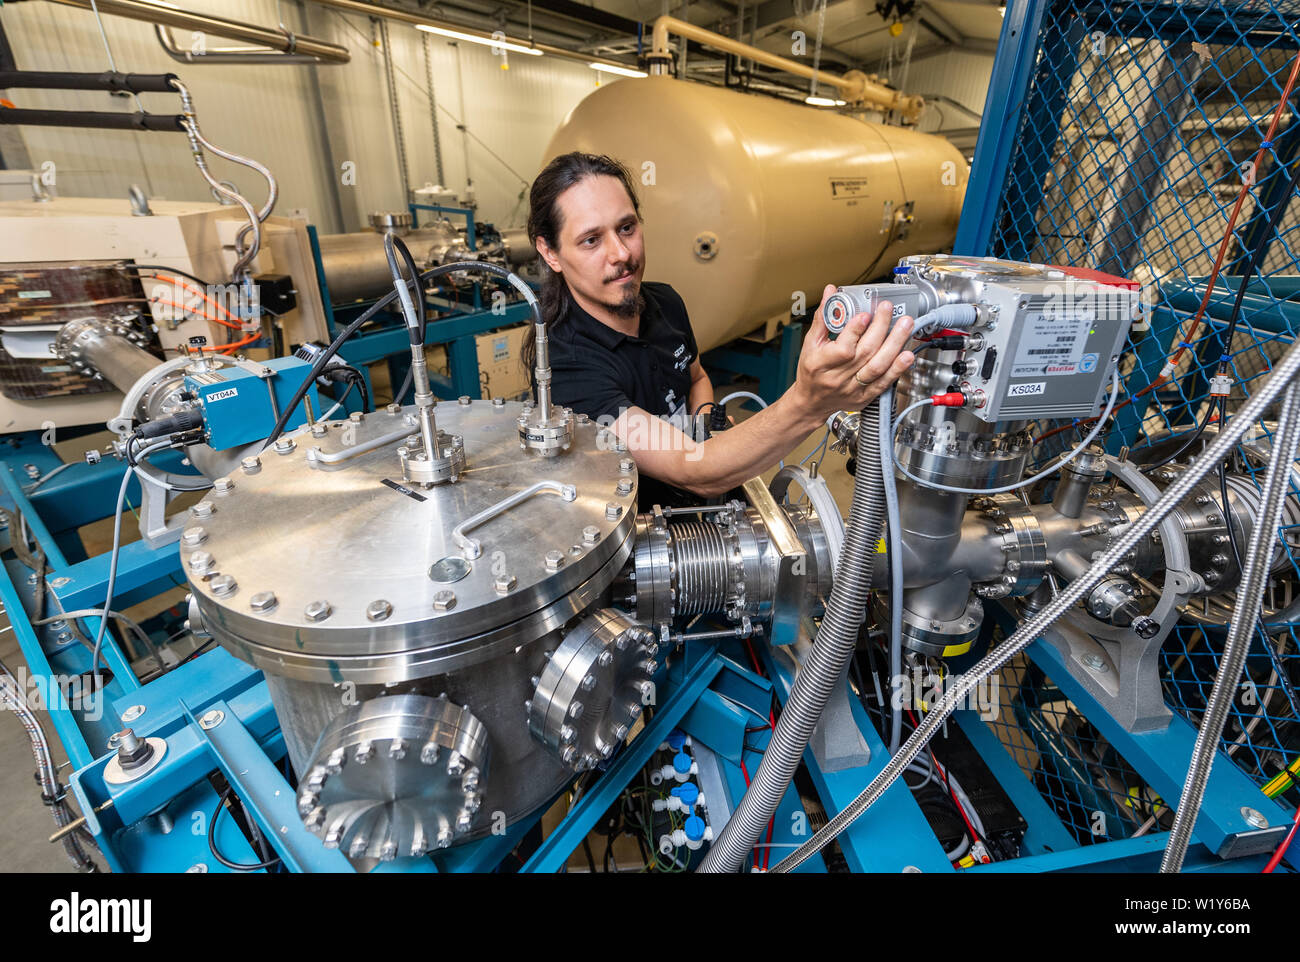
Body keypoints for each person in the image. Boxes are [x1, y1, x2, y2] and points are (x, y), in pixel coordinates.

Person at [524, 151, 914, 505]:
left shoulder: (664, 303)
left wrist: (708, 416)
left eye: (626, 228)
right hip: (642, 536)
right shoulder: (565, 366)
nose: (622, 255)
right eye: (591, 240)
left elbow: (695, 376)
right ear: (550, 253)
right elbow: (694, 469)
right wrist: (810, 402)